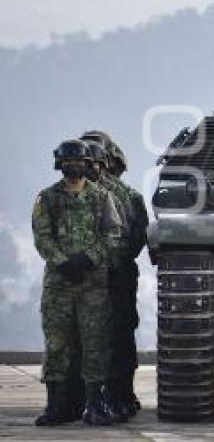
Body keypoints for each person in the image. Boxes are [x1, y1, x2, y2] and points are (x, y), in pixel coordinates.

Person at [32, 139, 121, 426]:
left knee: (94, 345)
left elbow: (112, 235)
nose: (74, 166)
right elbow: (42, 237)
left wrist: (89, 259)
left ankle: (95, 405)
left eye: (79, 161)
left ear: (87, 164)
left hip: (92, 285)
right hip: (58, 285)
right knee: (57, 345)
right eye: (68, 161)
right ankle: (55, 407)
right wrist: (62, 262)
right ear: (60, 163)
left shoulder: (101, 197)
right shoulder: (47, 198)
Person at [81, 131, 148, 418]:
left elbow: (137, 236)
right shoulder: (125, 194)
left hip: (111, 275)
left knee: (114, 337)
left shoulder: (125, 195)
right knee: (115, 337)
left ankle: (117, 395)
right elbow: (137, 238)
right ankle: (113, 397)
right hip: (111, 272)